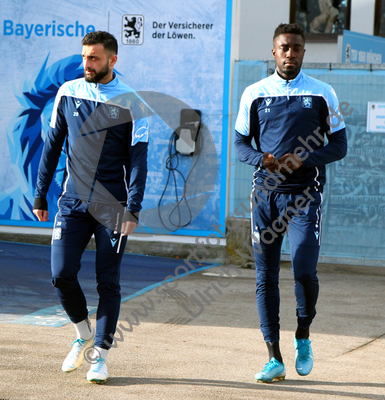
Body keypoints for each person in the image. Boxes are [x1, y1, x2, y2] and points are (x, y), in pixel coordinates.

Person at [33, 31, 149, 384]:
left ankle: (100, 356)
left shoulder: (132, 102)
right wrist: (41, 194)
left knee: (107, 282)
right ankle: (82, 333)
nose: (87, 64)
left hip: (112, 206)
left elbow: (139, 160)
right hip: (71, 201)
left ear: (113, 60)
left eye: (95, 58)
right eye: (85, 57)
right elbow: (52, 147)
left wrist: (134, 207)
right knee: (61, 273)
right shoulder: (68, 92)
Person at [234, 23, 347, 383]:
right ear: (274, 51)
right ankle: (273, 357)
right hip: (265, 197)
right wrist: (261, 160)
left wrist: (306, 159)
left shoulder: (321, 93)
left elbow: (340, 145)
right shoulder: (254, 93)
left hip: (304, 196)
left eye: (296, 48)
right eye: (284, 48)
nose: (290, 54)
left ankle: (303, 334)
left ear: (303, 52)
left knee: (303, 270)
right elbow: (239, 145)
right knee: (266, 276)